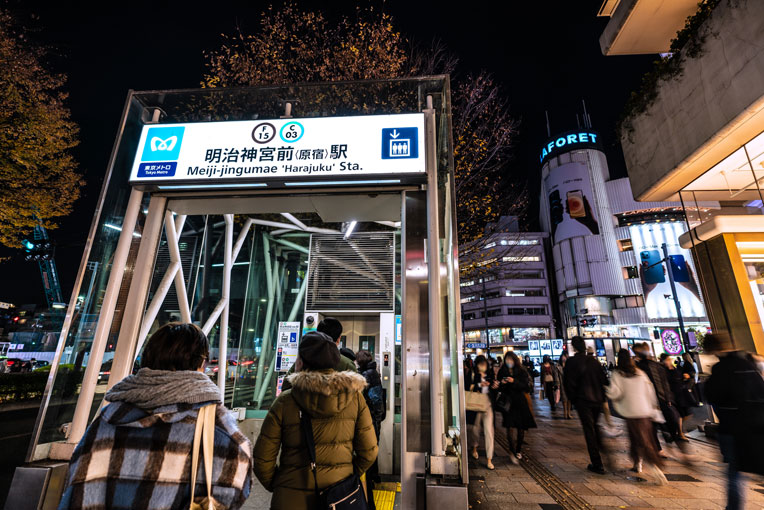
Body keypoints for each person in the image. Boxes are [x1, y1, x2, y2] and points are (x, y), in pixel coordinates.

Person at [58, 323, 253, 510]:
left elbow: (77, 485)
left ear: (148, 358)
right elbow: (235, 489)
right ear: (202, 362)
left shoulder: (108, 419)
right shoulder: (214, 425)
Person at [253, 331, 378, 509]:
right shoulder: (355, 399)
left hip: (290, 499)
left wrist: (282, 484)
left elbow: (262, 460)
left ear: (301, 362)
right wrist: (347, 475)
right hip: (338, 497)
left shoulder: (285, 401)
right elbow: (370, 451)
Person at [705, 333, 764, 510]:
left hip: (731, 429)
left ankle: (734, 507)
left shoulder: (721, 369)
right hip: (755, 425)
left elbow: (712, 395)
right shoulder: (747, 364)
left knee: (735, 470)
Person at [607, 349, 667, 485]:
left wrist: (607, 391)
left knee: (642, 442)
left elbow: (615, 393)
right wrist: (653, 408)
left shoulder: (617, 374)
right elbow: (650, 390)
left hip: (631, 413)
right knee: (640, 438)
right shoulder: (640, 372)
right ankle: (637, 464)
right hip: (645, 411)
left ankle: (657, 471)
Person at [563, 336, 609, 474]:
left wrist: (574, 400)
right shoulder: (594, 362)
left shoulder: (571, 362)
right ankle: (603, 450)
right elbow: (605, 381)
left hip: (583, 401)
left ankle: (597, 463)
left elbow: (568, 383)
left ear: (574, 347)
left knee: (589, 430)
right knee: (595, 426)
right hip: (597, 400)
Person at [633, 343, 686, 455]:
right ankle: (660, 448)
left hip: (660, 399)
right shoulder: (640, 367)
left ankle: (673, 443)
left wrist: (668, 398)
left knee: (669, 422)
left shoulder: (651, 366)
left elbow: (665, 383)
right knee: (654, 426)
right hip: (651, 401)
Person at [282, 317, 356, 391]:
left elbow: (286, 386)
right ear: (339, 338)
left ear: (317, 334)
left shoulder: (304, 358)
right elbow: (356, 395)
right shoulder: (347, 364)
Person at [497, 352, 536, 463]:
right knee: (509, 427)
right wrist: (502, 383)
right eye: (507, 360)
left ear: (514, 360)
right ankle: (512, 450)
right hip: (508, 403)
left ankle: (518, 450)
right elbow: (499, 386)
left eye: (510, 359)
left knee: (520, 428)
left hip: (520, 402)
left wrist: (514, 381)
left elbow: (526, 386)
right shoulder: (502, 371)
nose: (509, 362)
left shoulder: (521, 371)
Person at [468, 355, 496, 470]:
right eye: (480, 364)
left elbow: (495, 390)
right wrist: (479, 385)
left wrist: (494, 386)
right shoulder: (472, 374)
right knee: (475, 429)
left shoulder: (490, 375)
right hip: (476, 404)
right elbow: (467, 387)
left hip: (488, 404)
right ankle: (474, 447)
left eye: (484, 364)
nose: (482, 366)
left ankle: (489, 458)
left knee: (489, 431)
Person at [660, 353, 692, 441]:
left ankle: (679, 431)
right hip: (673, 395)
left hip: (681, 393)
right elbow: (665, 384)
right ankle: (680, 432)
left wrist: (685, 377)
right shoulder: (664, 371)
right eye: (668, 359)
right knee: (679, 415)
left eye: (670, 359)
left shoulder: (675, 368)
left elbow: (679, 377)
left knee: (687, 413)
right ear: (663, 361)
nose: (670, 361)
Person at [557, 352, 572, 419]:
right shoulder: (558, 366)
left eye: (565, 356)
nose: (564, 358)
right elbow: (556, 376)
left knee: (569, 399)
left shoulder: (569, 365)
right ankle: (565, 413)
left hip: (569, 384)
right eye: (563, 356)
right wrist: (557, 384)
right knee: (564, 399)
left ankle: (569, 413)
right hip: (562, 384)